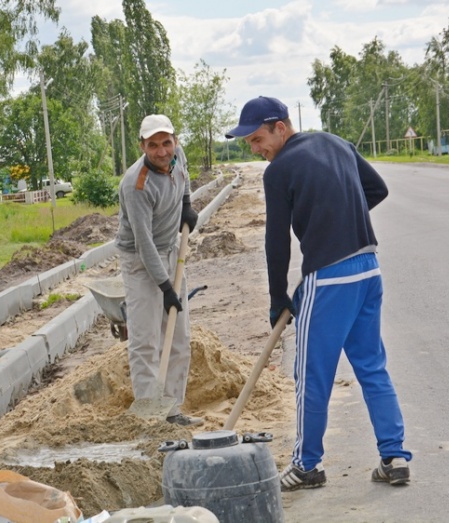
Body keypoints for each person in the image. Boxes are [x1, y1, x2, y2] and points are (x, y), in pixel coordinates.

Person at [225, 97, 412, 490]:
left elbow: (276, 242)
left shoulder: (278, 172)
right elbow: (376, 189)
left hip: (328, 280)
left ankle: (307, 465)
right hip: (368, 269)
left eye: (258, 139)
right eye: (249, 144)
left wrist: (278, 298)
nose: (256, 149)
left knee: (311, 375)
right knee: (371, 365)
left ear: (279, 126)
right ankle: (394, 457)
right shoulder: (336, 142)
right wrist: (343, 213)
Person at [115, 114, 200, 426]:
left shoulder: (178, 156)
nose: (162, 151)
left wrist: (187, 203)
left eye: (166, 142)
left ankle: (173, 411)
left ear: (174, 141)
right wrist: (166, 288)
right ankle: (152, 417)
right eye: (153, 145)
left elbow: (185, 175)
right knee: (147, 339)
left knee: (179, 337)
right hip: (140, 262)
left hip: (170, 251)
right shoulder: (136, 185)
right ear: (142, 146)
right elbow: (143, 244)